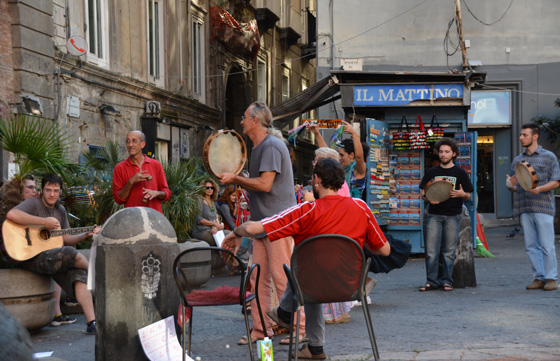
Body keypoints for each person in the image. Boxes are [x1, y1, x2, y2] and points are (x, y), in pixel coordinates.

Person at [223, 158, 390, 359]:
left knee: (308, 272)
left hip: (310, 287)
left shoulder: (306, 210)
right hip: (351, 285)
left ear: (317, 180)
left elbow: (252, 228)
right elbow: (385, 250)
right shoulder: (360, 207)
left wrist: (235, 232)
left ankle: (285, 314)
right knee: (314, 273)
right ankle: (315, 349)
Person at [219, 101, 306, 345]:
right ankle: (261, 331)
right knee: (258, 279)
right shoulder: (258, 148)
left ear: (255, 120)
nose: (241, 121)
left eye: (245, 117)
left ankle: (300, 331)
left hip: (278, 225)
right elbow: (260, 193)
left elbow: (265, 184)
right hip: (263, 225)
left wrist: (236, 178)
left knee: (282, 279)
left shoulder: (270, 146)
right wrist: (242, 231)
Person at [6, 173, 100, 333]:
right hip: (30, 256)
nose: (52, 194)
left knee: (78, 274)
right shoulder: (33, 204)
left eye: (55, 191)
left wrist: (85, 234)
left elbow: (67, 238)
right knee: (70, 253)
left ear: (60, 192)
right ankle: (98, 274)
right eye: (48, 190)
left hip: (52, 257)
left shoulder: (61, 211)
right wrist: (44, 222)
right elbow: (12, 215)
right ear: (41, 190)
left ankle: (92, 323)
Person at [507, 123, 559, 291]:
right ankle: (539, 278)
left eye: (524, 135)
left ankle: (551, 278)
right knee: (530, 246)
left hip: (543, 207)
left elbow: (556, 181)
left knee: (546, 245)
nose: (521, 137)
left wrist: (540, 189)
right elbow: (516, 186)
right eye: (521, 135)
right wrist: (509, 185)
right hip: (524, 207)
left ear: (535, 136)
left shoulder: (549, 156)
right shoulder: (517, 160)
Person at [419, 137, 474, 292]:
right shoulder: (432, 171)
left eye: (447, 152)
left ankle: (447, 281)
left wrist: (463, 194)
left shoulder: (460, 172)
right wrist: (428, 198)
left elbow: (470, 196)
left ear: (454, 154)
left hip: (453, 215)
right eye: (441, 152)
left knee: (449, 251)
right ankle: (431, 281)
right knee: (431, 251)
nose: (443, 155)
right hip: (434, 215)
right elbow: (423, 193)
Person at [112, 130, 171, 213]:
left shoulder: (156, 165)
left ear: (142, 144)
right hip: (132, 219)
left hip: (154, 219)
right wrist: (131, 182)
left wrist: (157, 193)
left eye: (134, 141)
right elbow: (119, 200)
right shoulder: (119, 168)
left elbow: (167, 193)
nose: (130, 145)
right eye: (128, 141)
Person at [309, 121, 368, 198]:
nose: (339, 158)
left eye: (342, 155)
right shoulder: (338, 168)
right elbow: (327, 153)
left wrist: (354, 133)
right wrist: (317, 134)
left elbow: (359, 157)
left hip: (351, 208)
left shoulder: (358, 170)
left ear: (352, 155)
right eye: (338, 154)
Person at [192, 178, 228, 246]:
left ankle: (232, 256)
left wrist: (216, 227)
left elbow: (216, 220)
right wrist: (214, 224)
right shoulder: (199, 200)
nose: (210, 189)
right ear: (202, 188)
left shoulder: (212, 201)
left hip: (213, 229)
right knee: (224, 240)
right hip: (201, 231)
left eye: (212, 188)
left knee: (231, 235)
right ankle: (227, 256)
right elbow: (198, 219)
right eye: (207, 187)